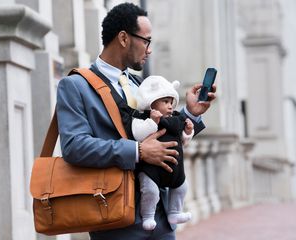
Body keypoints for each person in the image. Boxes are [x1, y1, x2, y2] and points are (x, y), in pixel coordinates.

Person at [56, 2, 216, 240]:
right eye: (146, 40)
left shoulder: (142, 85)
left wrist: (191, 113)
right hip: (114, 218)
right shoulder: (76, 86)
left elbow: (162, 133)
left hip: (160, 216)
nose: (149, 49)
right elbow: (74, 146)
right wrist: (138, 151)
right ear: (123, 38)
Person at [130, 76, 194, 231]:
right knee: (150, 191)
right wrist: (152, 122)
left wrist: (188, 132)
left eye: (171, 102)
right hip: (151, 169)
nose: (170, 106)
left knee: (182, 188)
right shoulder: (143, 117)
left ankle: (174, 212)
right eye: (165, 102)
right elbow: (137, 134)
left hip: (174, 169)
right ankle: (148, 216)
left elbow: (183, 141)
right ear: (152, 102)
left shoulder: (177, 119)